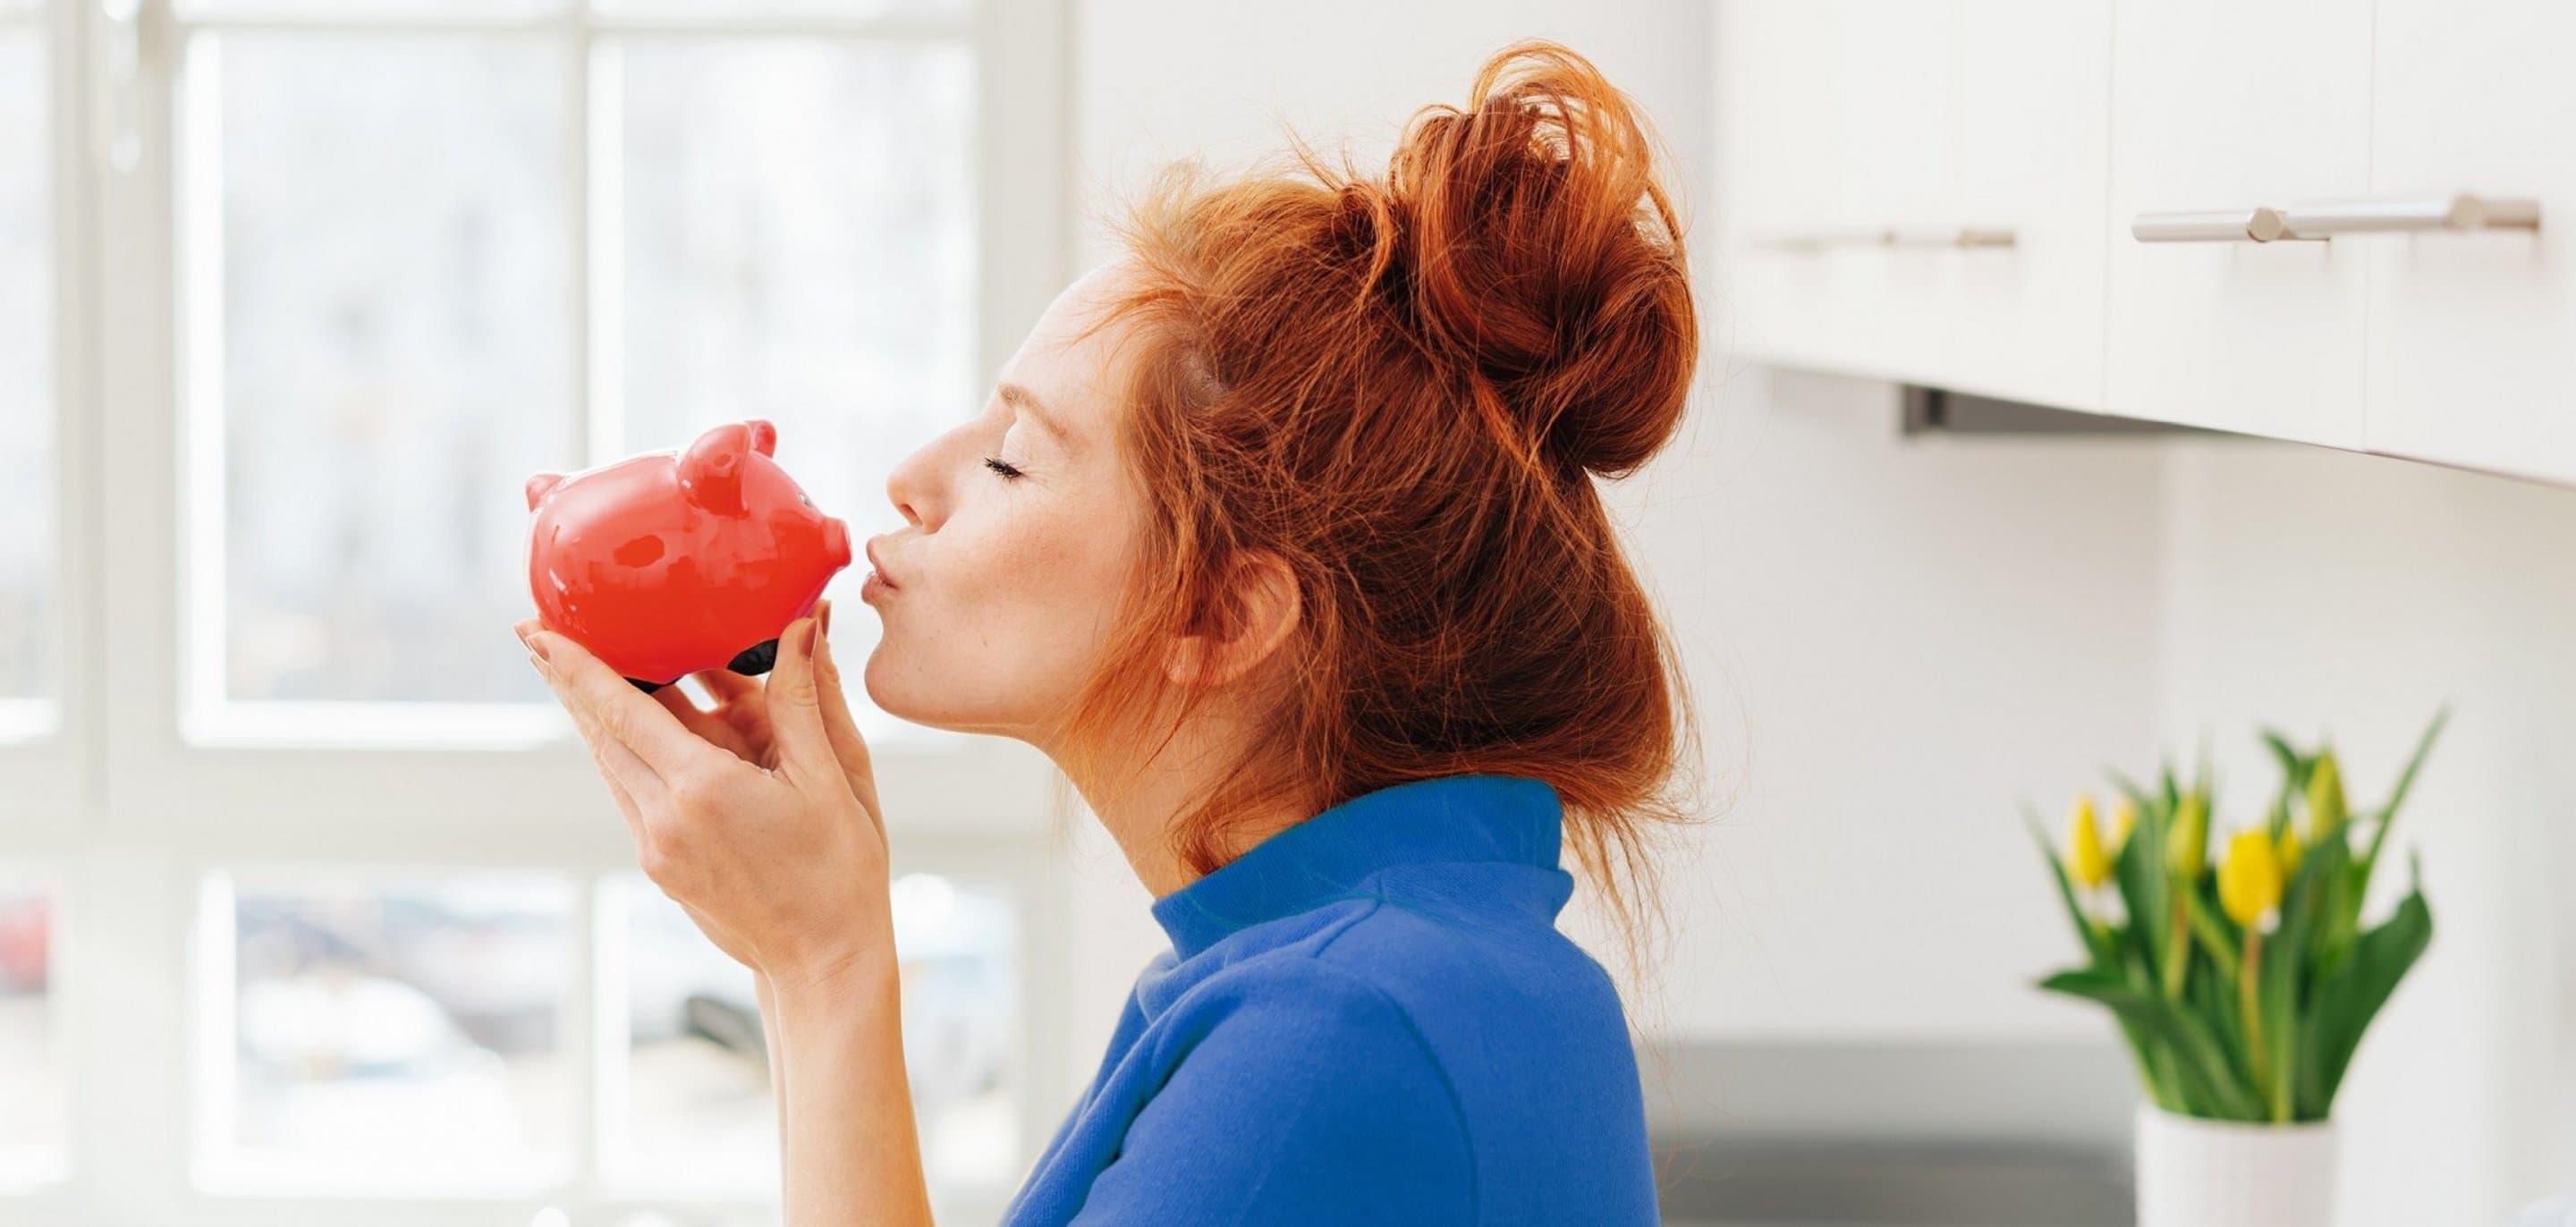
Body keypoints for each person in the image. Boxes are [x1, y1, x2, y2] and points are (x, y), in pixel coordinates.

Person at [517, 35, 1707, 1226]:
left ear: (1222, 611)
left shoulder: (1342, 1034)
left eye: (1009, 459)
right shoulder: (1348, 974)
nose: (910, 479)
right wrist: (796, 955)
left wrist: (824, 965)